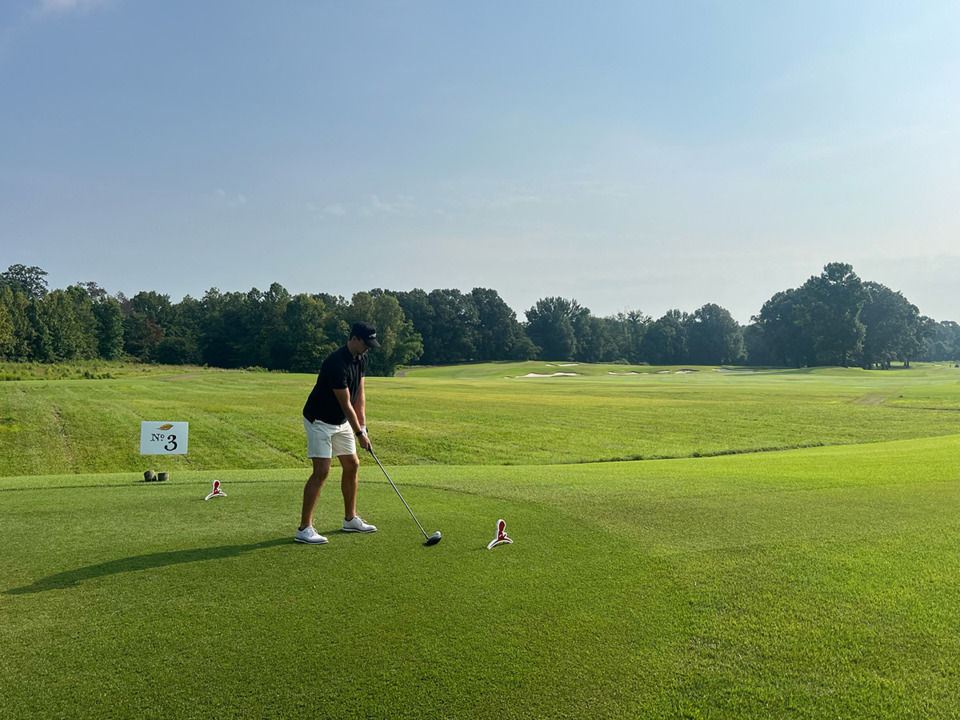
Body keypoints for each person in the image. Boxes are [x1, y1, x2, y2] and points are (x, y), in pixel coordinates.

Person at [295, 321, 381, 545]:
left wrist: (363, 426)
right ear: (354, 338)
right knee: (322, 471)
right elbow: (345, 403)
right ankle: (304, 528)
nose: (368, 347)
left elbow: (359, 394)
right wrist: (360, 434)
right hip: (320, 420)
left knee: (352, 465)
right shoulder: (336, 363)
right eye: (366, 343)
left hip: (341, 421)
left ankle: (350, 519)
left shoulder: (362, 358)